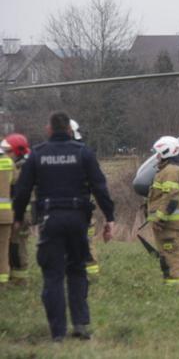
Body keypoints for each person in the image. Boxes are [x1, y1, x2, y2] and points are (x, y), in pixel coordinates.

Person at [13, 111, 114, 341]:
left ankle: (57, 332)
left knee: (53, 276)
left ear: (49, 130)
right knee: (78, 271)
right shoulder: (83, 153)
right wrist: (110, 217)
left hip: (50, 220)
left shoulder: (37, 155)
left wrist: (18, 217)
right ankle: (80, 324)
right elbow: (100, 186)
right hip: (78, 220)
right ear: (70, 130)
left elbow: (22, 191)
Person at [146, 136, 179, 285]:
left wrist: (160, 218)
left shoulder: (171, 170)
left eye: (159, 153)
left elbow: (170, 197)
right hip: (174, 223)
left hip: (170, 224)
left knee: (171, 255)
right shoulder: (178, 168)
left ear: (167, 152)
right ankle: (171, 283)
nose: (157, 157)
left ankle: (175, 288)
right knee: (167, 254)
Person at [69, 119, 100, 278]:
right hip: (84, 207)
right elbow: (97, 183)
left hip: (65, 209)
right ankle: (91, 272)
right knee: (87, 241)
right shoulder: (86, 155)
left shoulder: (54, 155)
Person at [1, 134, 30, 283]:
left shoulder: (22, 166)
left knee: (16, 245)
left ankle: (19, 278)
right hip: (11, 213)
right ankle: (12, 277)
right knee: (9, 246)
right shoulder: (15, 164)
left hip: (20, 213)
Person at [0, 146, 17, 285]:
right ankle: (3, 281)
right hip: (5, 214)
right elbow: (15, 182)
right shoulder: (8, 162)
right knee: (3, 248)